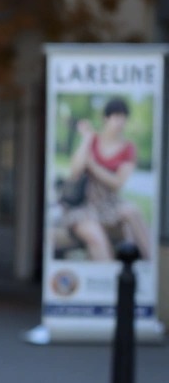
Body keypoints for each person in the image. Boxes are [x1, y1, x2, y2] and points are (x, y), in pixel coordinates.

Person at [53, 96, 150, 260]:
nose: (120, 123)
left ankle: (150, 263)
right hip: (83, 205)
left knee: (134, 212)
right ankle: (107, 277)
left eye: (123, 118)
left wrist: (92, 165)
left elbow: (117, 184)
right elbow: (75, 172)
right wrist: (86, 138)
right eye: (116, 117)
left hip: (110, 203)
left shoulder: (128, 148)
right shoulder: (93, 140)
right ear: (106, 118)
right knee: (97, 239)